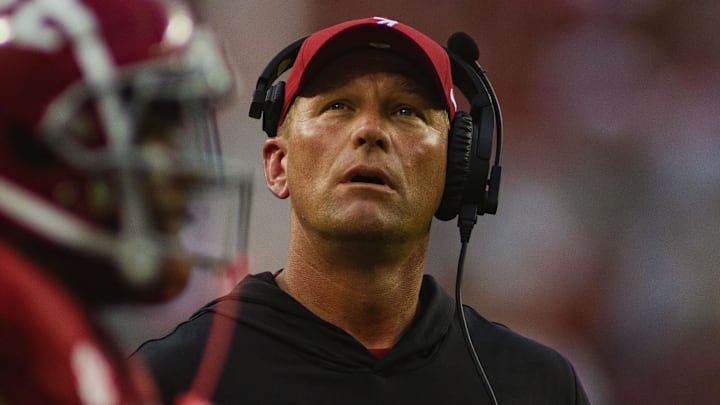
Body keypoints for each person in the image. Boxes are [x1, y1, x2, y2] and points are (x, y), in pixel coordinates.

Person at [134, 16, 590, 404]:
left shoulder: (536, 387)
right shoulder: (172, 380)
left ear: (458, 169)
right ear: (278, 165)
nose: (370, 131)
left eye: (407, 111)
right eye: (337, 105)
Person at [0, 0, 251, 403]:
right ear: (36, 145)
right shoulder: (17, 327)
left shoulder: (81, 339)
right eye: (154, 135)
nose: (186, 174)